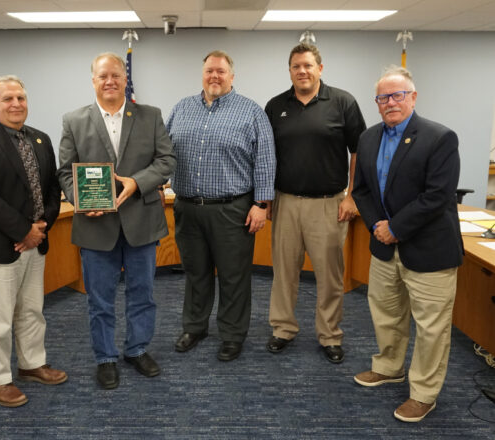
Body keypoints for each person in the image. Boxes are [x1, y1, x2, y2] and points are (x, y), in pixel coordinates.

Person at [57, 53, 175, 390]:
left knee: (143, 293)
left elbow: (167, 160)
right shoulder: (74, 120)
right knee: (100, 298)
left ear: (125, 79)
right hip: (96, 226)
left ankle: (137, 349)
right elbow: (66, 171)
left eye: (116, 75)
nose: (110, 81)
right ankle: (105, 357)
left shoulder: (150, 116)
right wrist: (80, 200)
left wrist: (137, 181)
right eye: (103, 76)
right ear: (93, 80)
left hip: (142, 220)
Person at [352, 66, 463, 422]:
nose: (390, 102)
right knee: (386, 314)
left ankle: (424, 393)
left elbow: (437, 196)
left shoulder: (439, 138)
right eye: (383, 97)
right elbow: (362, 191)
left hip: (429, 250)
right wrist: (377, 228)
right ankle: (388, 367)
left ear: (413, 97)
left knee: (431, 327)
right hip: (384, 248)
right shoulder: (368, 138)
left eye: (398, 95)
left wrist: (396, 228)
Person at [0, 75, 66, 408]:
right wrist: (24, 231)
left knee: (33, 310)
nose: (16, 104)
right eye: (7, 99)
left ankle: (32, 364)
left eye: (20, 97)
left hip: (35, 241)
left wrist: (41, 226)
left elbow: (51, 189)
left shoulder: (40, 139)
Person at [166, 50, 276, 362]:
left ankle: (232, 334)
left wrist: (261, 204)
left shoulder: (251, 112)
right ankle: (195, 326)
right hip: (188, 207)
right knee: (195, 273)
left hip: (233, 210)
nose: (215, 76)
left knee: (233, 276)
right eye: (210, 71)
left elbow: (266, 161)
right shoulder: (181, 109)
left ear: (232, 76)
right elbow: (164, 151)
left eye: (221, 71)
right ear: (202, 74)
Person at [264, 43, 366, 363]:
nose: (302, 71)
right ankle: (283, 328)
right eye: (296, 66)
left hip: (329, 204)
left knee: (330, 276)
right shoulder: (275, 106)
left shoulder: (343, 102)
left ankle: (330, 335)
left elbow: (359, 151)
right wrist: (265, 199)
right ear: (290, 70)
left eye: (308, 65)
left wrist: (353, 194)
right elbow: (265, 157)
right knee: (284, 273)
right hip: (286, 202)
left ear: (320, 68)